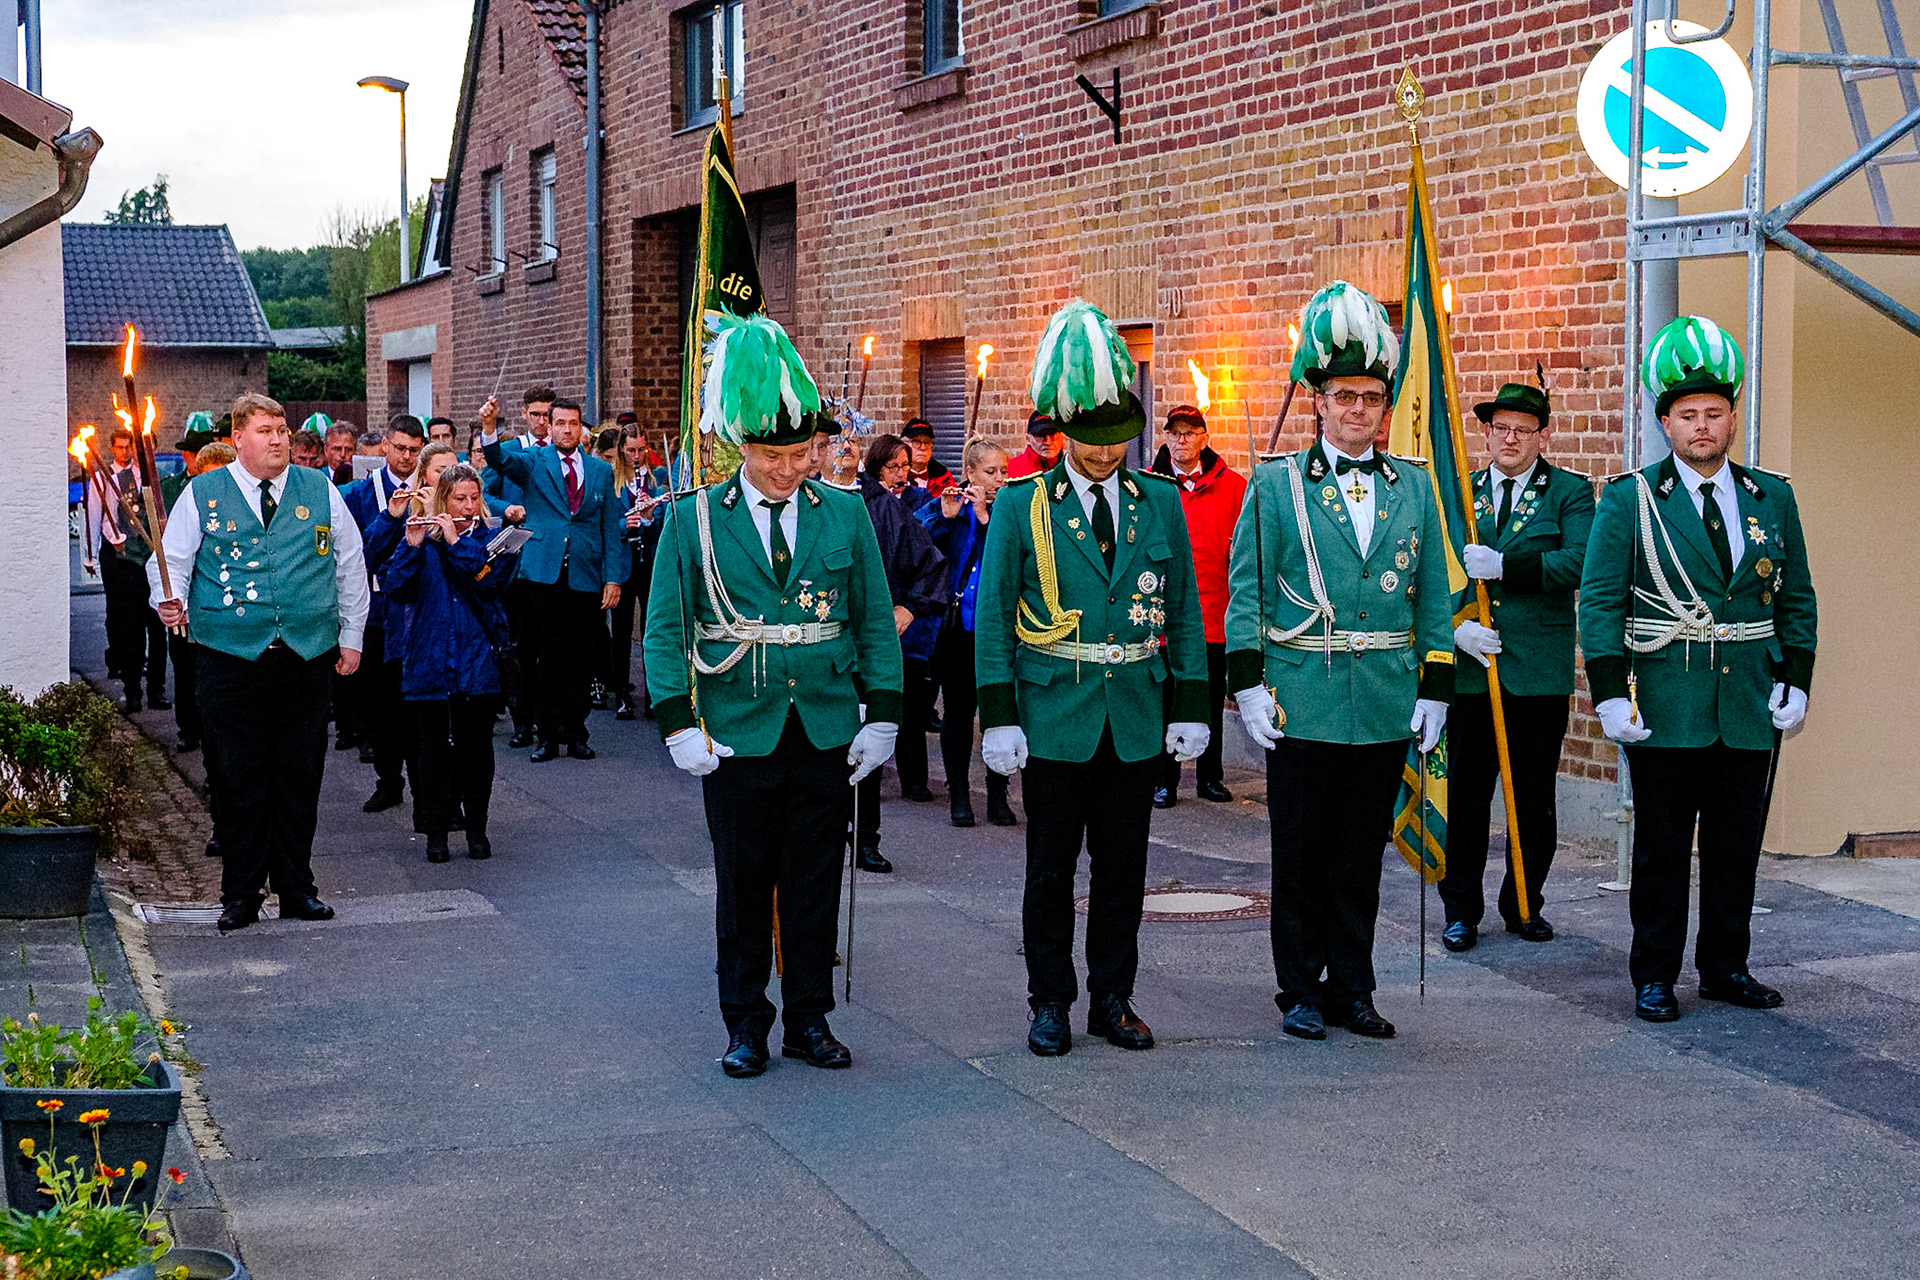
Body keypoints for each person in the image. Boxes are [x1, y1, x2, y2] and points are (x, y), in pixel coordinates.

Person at [645, 312, 903, 1078]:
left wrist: (883, 713)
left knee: (816, 880)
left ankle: (809, 1020)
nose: (791, 469)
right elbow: (665, 630)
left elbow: (872, 621)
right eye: (775, 455)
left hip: (823, 722)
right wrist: (676, 723)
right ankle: (746, 1021)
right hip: (737, 726)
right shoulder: (692, 519)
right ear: (740, 445)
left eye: (803, 453)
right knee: (744, 884)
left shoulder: (847, 512)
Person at [975, 300, 1211, 1057]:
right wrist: (999, 714)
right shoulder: (1023, 506)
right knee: (1048, 872)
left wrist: (1191, 703)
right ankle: (1050, 1000)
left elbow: (1181, 609)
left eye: (1116, 443)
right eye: (1089, 441)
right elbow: (992, 617)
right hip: (1053, 714)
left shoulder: (1160, 503)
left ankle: (1114, 996)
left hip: (1134, 712)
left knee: (1123, 870)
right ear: (1061, 432)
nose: (1104, 456)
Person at [1224, 281, 1454, 1043]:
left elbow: (1429, 594)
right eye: (1343, 395)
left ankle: (1354, 985)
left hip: (1384, 697)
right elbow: (1247, 591)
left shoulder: (1414, 486)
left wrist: (1437, 687)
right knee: (1300, 856)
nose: (1358, 409)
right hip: (1303, 696)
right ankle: (1299, 988)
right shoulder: (1276, 483)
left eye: (1371, 397)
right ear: (1317, 400)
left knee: (1361, 856)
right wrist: (1247, 685)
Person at [1579, 316, 1816, 1023]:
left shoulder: (1771, 496)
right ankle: (1654, 974)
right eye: (1688, 416)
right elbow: (1600, 599)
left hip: (1747, 698)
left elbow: (1797, 594)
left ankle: (1725, 966)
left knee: (1736, 847)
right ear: (1665, 423)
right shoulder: (1633, 497)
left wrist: (1796, 677)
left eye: (1715, 414)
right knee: (1660, 850)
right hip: (1666, 695)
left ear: (1733, 416)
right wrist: (1607, 693)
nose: (1703, 427)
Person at [148, 392, 369, 932]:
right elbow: (171, 561)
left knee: (299, 773)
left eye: (282, 431)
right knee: (237, 776)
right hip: (229, 656)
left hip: (304, 653)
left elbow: (349, 563)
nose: (278, 440)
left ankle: (296, 887)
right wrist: (165, 599)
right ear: (238, 438)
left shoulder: (320, 490)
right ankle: (241, 893)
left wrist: (352, 634)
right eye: (267, 431)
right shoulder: (203, 494)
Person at [1438, 376, 1595, 952]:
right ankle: (1461, 909)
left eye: (1523, 431)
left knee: (1531, 799)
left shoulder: (1571, 493)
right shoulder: (1462, 493)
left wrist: (1506, 566)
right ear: (1486, 432)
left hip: (1535, 672)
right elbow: (1437, 575)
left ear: (1541, 436)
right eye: (1500, 429)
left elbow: (1578, 562)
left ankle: (1525, 903)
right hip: (1472, 671)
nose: (1510, 440)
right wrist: (1458, 631)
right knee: (1467, 798)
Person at [383, 463, 521, 863]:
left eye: (474, 499)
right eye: (459, 499)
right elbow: (395, 588)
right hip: (430, 656)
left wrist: (454, 542)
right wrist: (411, 544)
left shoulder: (495, 539)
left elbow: (490, 581)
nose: (467, 506)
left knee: (476, 749)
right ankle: (436, 831)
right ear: (443, 499)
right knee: (433, 753)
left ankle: (477, 829)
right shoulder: (422, 540)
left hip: (477, 660)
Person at [482, 397, 627, 761]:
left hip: (585, 573)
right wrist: (489, 428)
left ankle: (576, 732)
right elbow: (501, 461)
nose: (565, 429)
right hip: (543, 572)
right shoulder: (535, 461)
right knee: (545, 656)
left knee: (581, 657)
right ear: (549, 425)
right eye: (559, 423)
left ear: (581, 428)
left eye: (572, 423)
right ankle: (544, 734)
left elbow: (610, 527)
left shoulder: (599, 470)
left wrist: (613, 579)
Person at [851, 434, 948, 870]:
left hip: (870, 649)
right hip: (814, 654)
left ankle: (865, 835)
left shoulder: (886, 510)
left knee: (867, 745)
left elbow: (931, 565)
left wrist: (909, 606)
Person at [1149, 403, 1247, 808]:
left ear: (1204, 438)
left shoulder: (1234, 487)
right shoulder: (1150, 486)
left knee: (1209, 702)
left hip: (1214, 614)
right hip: (1161, 618)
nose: (1182, 440)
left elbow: (1244, 551)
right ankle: (1164, 780)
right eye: (1175, 432)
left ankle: (1210, 776)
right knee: (1165, 701)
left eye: (1190, 433)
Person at [919, 438, 1017, 828]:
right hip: (959, 629)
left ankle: (998, 795)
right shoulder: (952, 504)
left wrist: (985, 515)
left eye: (1003, 472)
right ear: (971, 473)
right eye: (990, 472)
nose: (998, 480)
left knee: (999, 713)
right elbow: (920, 544)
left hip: (998, 630)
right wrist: (946, 516)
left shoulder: (1008, 511)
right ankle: (959, 795)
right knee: (959, 713)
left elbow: (1006, 556)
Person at [341, 416, 427, 809]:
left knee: (421, 704)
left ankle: (430, 787)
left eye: (414, 449)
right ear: (385, 447)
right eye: (400, 448)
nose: (407, 457)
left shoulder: (433, 489)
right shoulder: (361, 493)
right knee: (382, 702)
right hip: (378, 610)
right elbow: (357, 552)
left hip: (423, 609)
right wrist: (390, 519)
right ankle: (389, 780)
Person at [480, 388, 559, 747]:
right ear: (525, 413)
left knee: (550, 648)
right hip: (515, 561)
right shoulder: (512, 452)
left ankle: (552, 722)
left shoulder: (563, 455)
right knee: (520, 647)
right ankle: (522, 720)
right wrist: (504, 510)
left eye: (548, 415)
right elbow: (483, 493)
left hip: (552, 563)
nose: (542, 422)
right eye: (536, 414)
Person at [88, 428, 170, 713]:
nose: (127, 452)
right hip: (124, 560)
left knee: (158, 629)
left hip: (152, 558)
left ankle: (156, 690)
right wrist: (91, 555)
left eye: (130, 447)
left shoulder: (153, 478)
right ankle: (132, 690)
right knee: (130, 627)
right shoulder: (104, 478)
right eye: (121, 447)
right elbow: (95, 517)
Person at [610, 423, 667, 720]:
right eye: (631, 450)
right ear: (622, 449)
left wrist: (648, 517)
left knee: (651, 629)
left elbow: (661, 523)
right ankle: (621, 694)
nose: (636, 456)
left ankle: (653, 696)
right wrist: (625, 524)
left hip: (648, 561)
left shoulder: (656, 480)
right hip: (622, 559)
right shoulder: (614, 480)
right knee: (620, 631)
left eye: (641, 450)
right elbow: (605, 522)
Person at [901, 419, 957, 498]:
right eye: (916, 442)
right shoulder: (896, 476)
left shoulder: (944, 478)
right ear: (904, 444)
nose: (923, 447)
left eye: (927, 442)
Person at [1004, 410, 1065, 479]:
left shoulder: (1071, 467)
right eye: (1040, 436)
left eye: (1053, 435)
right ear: (1028, 439)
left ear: (1062, 437)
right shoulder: (1010, 469)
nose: (1048, 442)